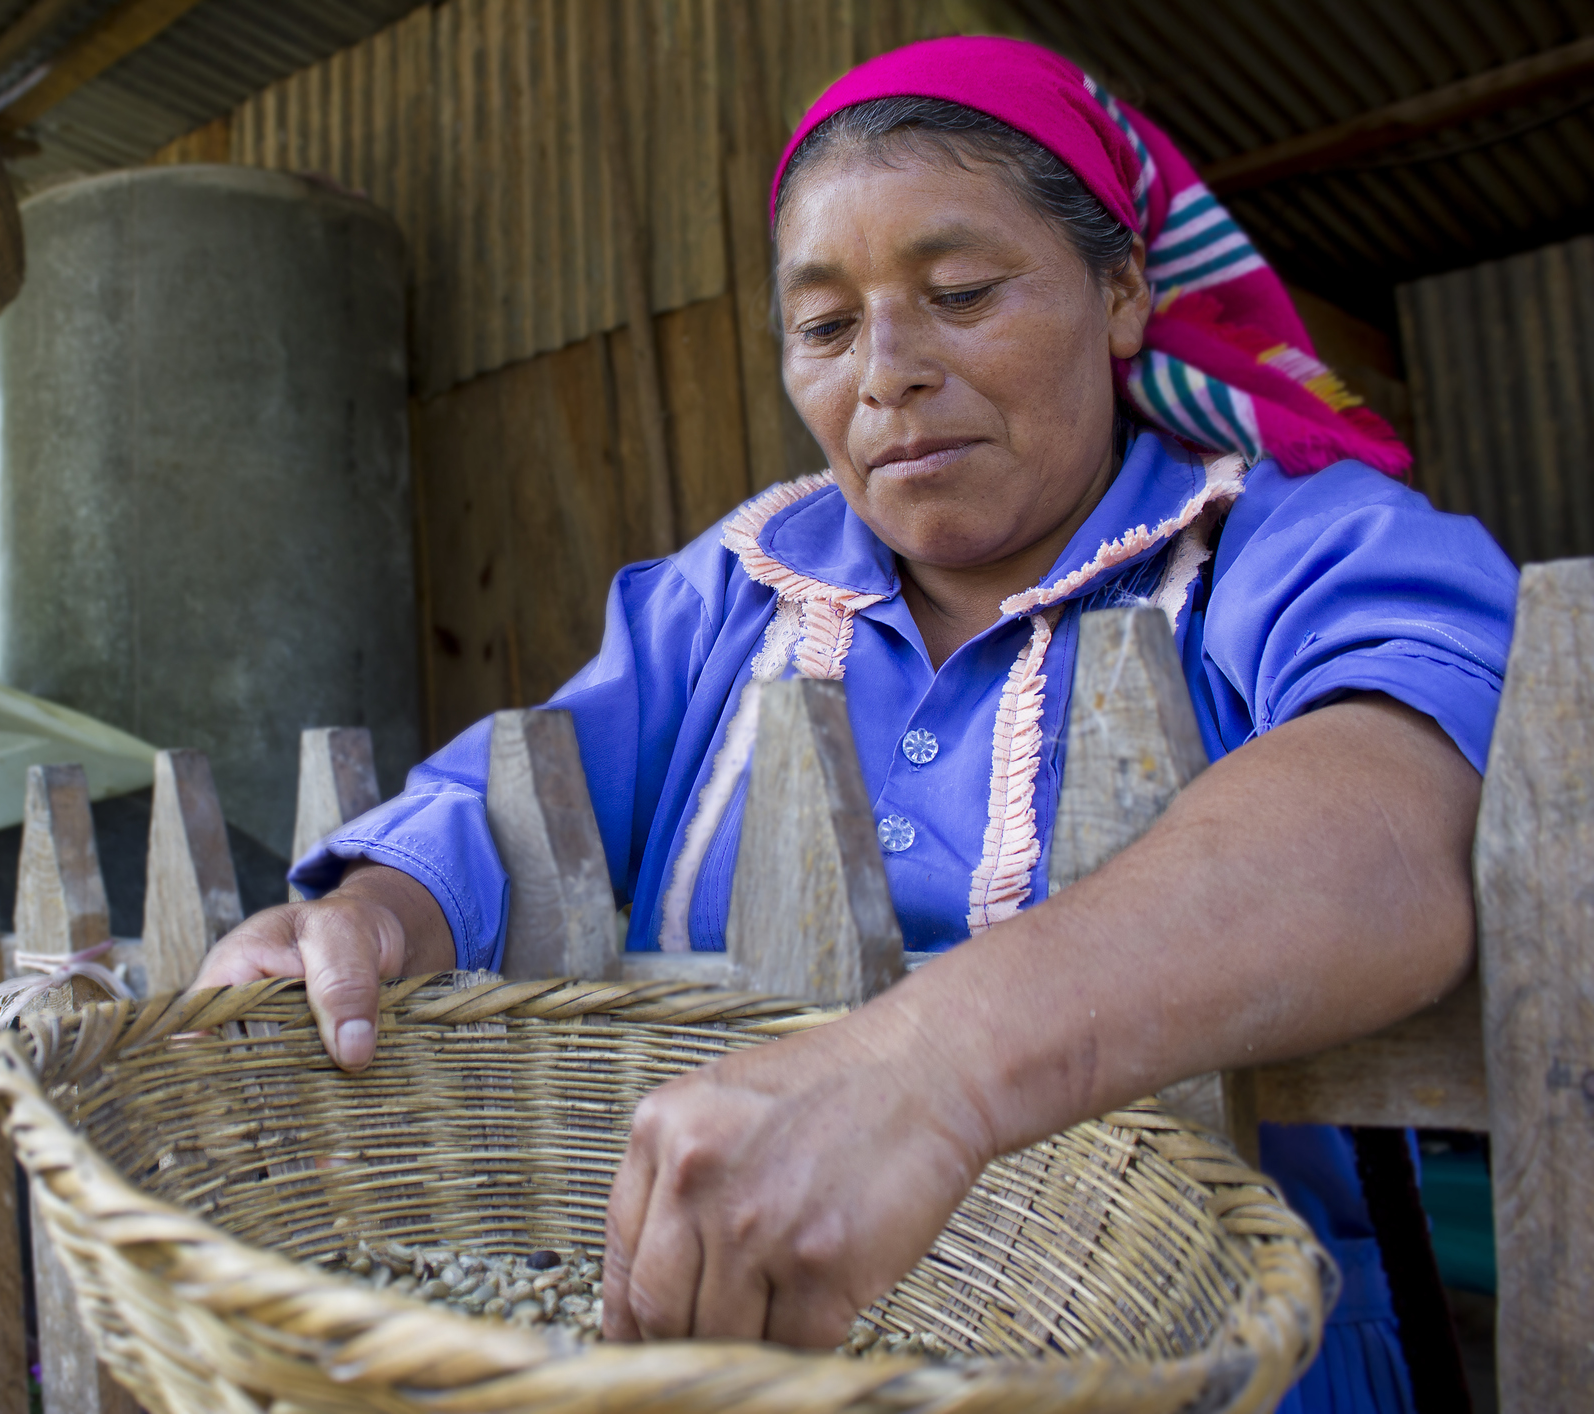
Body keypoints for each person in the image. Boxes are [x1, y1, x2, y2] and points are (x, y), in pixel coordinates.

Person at [192, 35, 1516, 1413]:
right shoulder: (730, 589)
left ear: (1121, 291)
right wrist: (377, 906)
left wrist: (927, 1069)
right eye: (823, 326)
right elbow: (524, 789)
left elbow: (1388, 815)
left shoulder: (1294, 542)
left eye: (957, 292)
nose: (884, 371)